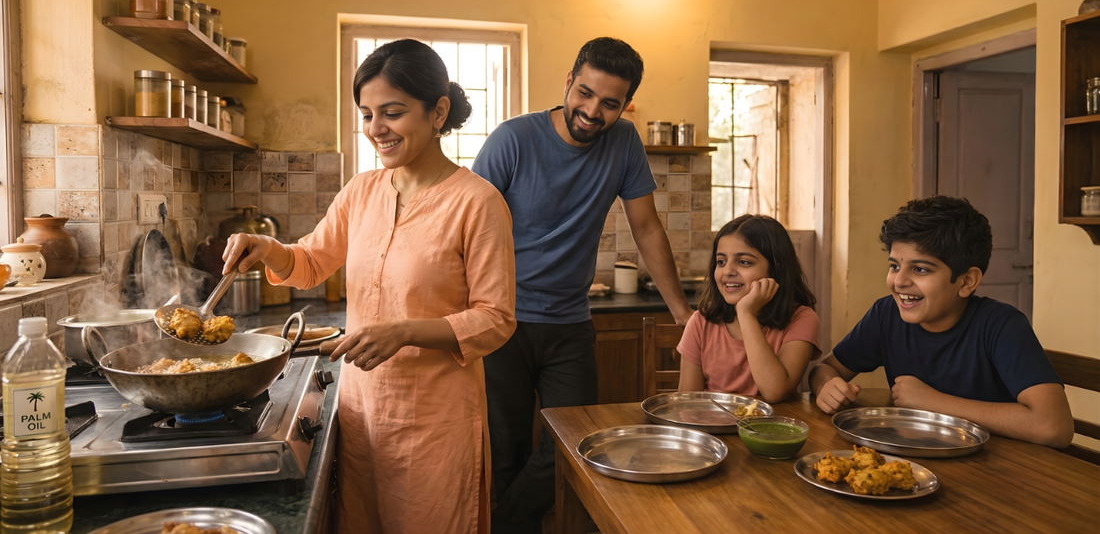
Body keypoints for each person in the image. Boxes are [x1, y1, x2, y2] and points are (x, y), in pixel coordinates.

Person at [222, 39, 516, 533]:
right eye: (366, 114)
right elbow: (312, 262)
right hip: (360, 412)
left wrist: (404, 331)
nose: (376, 129)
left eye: (393, 113)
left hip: (435, 422)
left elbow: (496, 318)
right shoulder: (361, 191)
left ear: (437, 111)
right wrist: (266, 246)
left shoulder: (477, 203)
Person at [472, 37, 692, 533]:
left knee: (575, 443)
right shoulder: (512, 139)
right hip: (501, 321)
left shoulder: (625, 142)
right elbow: (467, 229)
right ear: (568, 82)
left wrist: (680, 310)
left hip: (570, 324)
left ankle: (501, 524)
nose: (592, 111)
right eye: (585, 93)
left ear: (625, 105)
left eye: (610, 103)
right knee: (506, 451)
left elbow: (648, 228)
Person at [809, 195, 1074, 448]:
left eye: (920, 269)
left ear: (967, 281)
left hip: (996, 474)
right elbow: (825, 370)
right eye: (894, 266)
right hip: (915, 460)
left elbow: (1053, 426)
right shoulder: (886, 314)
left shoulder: (1002, 325)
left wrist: (932, 402)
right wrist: (827, 387)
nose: (899, 281)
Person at [677, 215, 821, 403]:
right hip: (713, 426)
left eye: (743, 262)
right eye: (721, 261)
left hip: (772, 429)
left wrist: (746, 314)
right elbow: (687, 403)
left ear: (776, 269)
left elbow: (775, 392)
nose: (727, 271)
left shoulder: (802, 319)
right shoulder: (700, 322)